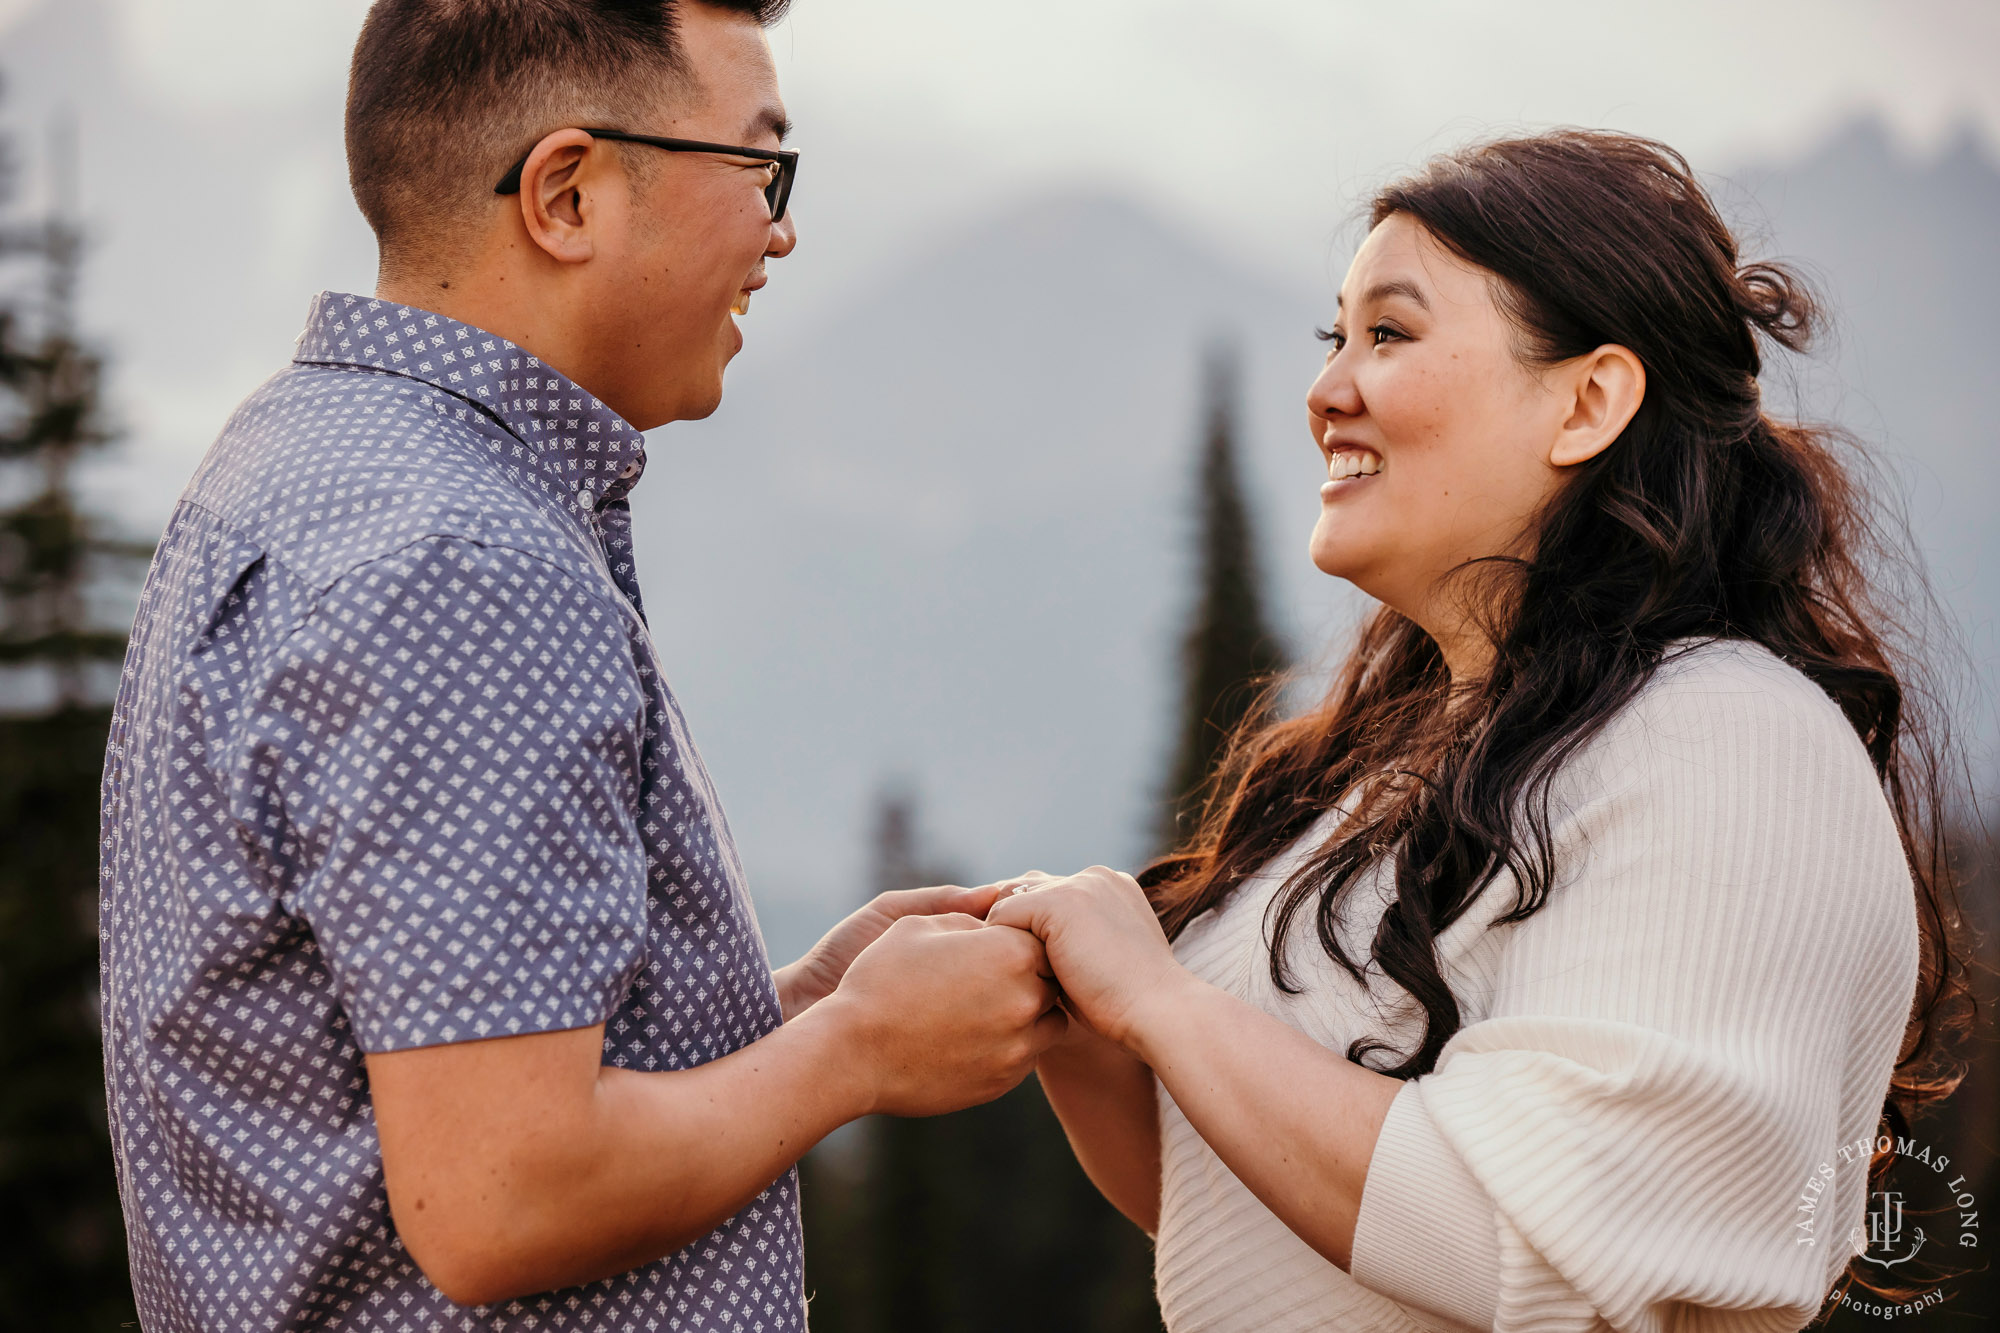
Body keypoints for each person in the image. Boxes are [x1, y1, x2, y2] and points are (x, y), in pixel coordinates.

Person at [98, 1, 1065, 1329]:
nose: (781, 232)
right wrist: (857, 1054)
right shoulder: (459, 556)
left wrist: (784, 1009)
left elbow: (431, 1061)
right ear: (565, 193)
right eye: (760, 166)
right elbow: (506, 1193)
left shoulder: (302, 462)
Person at [989, 131, 1967, 1331]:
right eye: (1331, 337)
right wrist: (1071, 1017)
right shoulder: (1386, 775)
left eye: (1388, 334)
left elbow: (1542, 1248)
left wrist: (1161, 1000)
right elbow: (1248, 1213)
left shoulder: (1728, 741)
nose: (1325, 390)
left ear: (1587, 400)